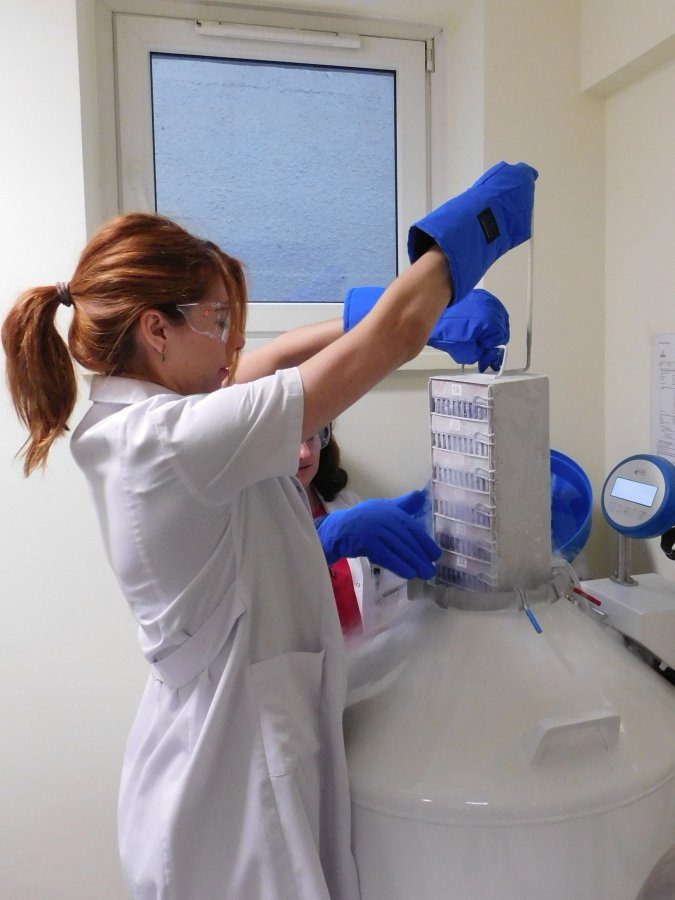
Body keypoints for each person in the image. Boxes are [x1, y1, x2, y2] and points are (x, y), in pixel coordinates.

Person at [2, 160, 537, 899]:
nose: (230, 346)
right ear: (156, 329)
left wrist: (368, 311)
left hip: (226, 746)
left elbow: (269, 361)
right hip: (228, 791)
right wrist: (477, 227)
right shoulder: (172, 439)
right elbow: (391, 338)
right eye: (216, 320)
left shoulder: (134, 423)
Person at [296, 423, 413, 637]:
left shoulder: (346, 503)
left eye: (312, 435)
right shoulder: (250, 525)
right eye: (291, 440)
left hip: (362, 655)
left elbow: (388, 590)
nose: (304, 453)